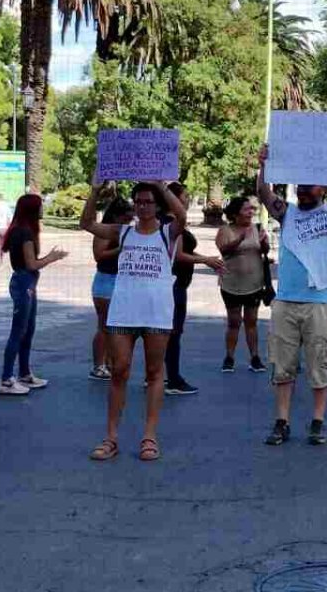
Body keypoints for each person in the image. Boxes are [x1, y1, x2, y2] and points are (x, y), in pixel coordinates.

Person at [255, 144, 327, 445]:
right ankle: (282, 421)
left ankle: (317, 421)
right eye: (301, 186)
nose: (304, 190)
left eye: (310, 186)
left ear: (324, 189)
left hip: (319, 303)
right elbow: (264, 194)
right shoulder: (288, 214)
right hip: (285, 303)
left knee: (320, 365)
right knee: (282, 365)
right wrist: (263, 165)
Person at [79, 180, 189, 461]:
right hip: (123, 310)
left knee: (154, 373)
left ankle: (149, 437)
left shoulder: (167, 232)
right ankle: (111, 437)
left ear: (157, 205)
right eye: (138, 202)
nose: (142, 206)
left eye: (148, 202)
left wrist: (161, 186)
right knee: (119, 371)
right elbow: (87, 223)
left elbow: (183, 217)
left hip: (156, 312)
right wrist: (94, 191)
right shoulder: (123, 232)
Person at [0, 194, 67, 396]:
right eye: (40, 206)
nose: (43, 209)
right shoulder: (25, 233)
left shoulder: (20, 229)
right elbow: (31, 264)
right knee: (19, 331)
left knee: (27, 329)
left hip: (26, 282)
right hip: (24, 282)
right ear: (33, 209)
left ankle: (24, 373)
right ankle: (6, 378)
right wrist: (52, 257)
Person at [164, 182, 222, 395]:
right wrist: (205, 260)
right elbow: (177, 255)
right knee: (173, 333)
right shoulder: (172, 223)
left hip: (174, 283)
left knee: (164, 332)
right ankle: (173, 379)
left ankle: (159, 376)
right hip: (174, 284)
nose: (188, 199)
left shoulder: (165, 222)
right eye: (185, 196)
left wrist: (205, 259)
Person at [215, 195, 268, 376]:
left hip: (254, 283)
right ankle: (229, 357)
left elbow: (263, 251)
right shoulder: (225, 230)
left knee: (251, 322)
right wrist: (239, 239)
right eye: (247, 209)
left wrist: (265, 244)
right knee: (234, 322)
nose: (250, 213)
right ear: (236, 213)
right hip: (231, 284)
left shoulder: (256, 228)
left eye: (251, 209)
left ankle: (255, 357)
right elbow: (224, 250)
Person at [88, 197, 132, 380]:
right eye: (125, 218)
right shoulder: (105, 231)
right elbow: (99, 255)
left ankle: (108, 362)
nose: (128, 222)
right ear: (116, 216)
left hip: (120, 280)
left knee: (114, 327)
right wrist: (121, 249)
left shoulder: (124, 230)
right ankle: (99, 365)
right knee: (104, 326)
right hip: (106, 281)